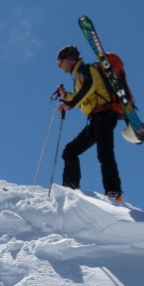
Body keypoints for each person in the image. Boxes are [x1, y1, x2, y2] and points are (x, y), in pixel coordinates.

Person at [54, 45, 123, 202]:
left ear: (69, 60)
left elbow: (89, 86)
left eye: (60, 62)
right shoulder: (79, 74)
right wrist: (66, 96)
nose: (59, 66)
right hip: (96, 119)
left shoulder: (85, 69)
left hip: (104, 115)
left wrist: (69, 104)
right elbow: (83, 96)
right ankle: (70, 187)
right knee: (70, 151)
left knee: (105, 153)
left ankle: (113, 192)